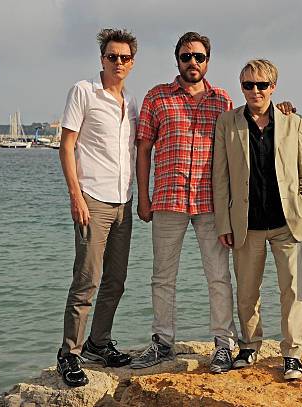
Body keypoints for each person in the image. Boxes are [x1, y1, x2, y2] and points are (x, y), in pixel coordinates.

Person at [131, 32, 238, 373]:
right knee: (163, 277)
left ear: (208, 60)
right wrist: (143, 197)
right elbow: (144, 149)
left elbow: (234, 153)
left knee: (219, 276)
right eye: (186, 56)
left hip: (211, 203)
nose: (193, 62)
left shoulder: (223, 101)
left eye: (199, 57)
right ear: (176, 59)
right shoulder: (157, 97)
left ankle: (223, 345)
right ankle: (163, 343)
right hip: (168, 198)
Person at [213, 59, 302, 380]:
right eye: (248, 85)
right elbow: (220, 179)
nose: (254, 91)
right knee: (247, 292)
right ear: (241, 86)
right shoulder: (227, 122)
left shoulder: (292, 122)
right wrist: (223, 223)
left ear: (273, 87)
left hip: (288, 223)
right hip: (246, 224)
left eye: (261, 85)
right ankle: (249, 346)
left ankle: (293, 354)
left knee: (293, 291)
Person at [56, 28, 138, 387]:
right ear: (102, 59)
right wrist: (75, 196)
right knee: (86, 280)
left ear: (131, 62)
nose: (118, 62)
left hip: (124, 201)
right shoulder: (83, 91)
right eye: (111, 56)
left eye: (124, 57)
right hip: (92, 199)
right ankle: (68, 354)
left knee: (116, 280)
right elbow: (67, 145)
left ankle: (98, 343)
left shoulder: (131, 103)